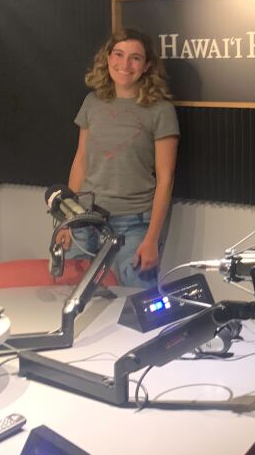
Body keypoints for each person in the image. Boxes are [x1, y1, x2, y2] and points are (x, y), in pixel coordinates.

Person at [55, 28, 179, 288]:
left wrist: (152, 239)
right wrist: (66, 221)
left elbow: (165, 180)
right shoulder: (92, 102)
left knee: (137, 305)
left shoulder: (161, 110)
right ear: (107, 58)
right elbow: (80, 161)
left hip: (134, 224)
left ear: (146, 66)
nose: (125, 64)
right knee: (77, 303)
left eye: (135, 58)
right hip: (84, 218)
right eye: (119, 54)